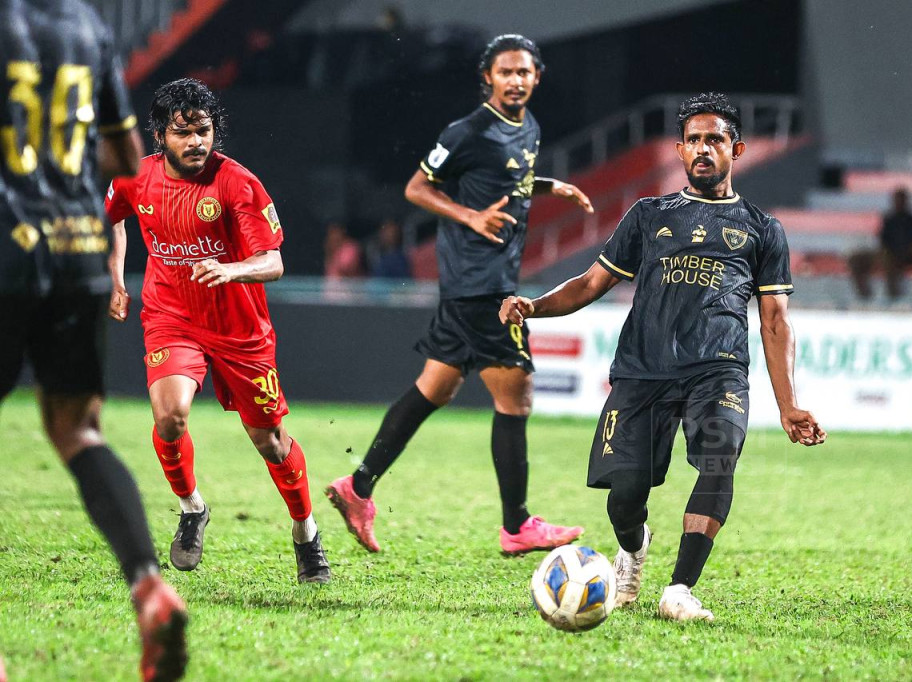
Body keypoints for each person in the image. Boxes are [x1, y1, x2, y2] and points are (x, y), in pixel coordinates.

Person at [499, 93, 827, 621]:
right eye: (694, 140)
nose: (703, 148)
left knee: (719, 461)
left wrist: (789, 404)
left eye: (715, 139)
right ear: (680, 149)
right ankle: (633, 548)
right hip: (642, 370)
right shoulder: (648, 215)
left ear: (737, 149)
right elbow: (590, 283)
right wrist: (533, 306)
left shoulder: (763, 229)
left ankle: (679, 588)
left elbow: (774, 321)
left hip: (718, 371)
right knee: (625, 495)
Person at [326, 34, 594, 555]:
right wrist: (469, 216)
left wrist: (549, 186)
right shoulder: (468, 131)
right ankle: (517, 525)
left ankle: (357, 487)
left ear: (536, 76)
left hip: (477, 284)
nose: (515, 80)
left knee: (435, 388)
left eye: (523, 72)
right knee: (516, 395)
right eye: (505, 72)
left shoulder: (528, 126)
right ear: (487, 77)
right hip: (481, 285)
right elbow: (417, 188)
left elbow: (507, 178)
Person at [0, 1, 187, 679]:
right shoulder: (87, 26)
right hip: (78, 245)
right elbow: (127, 158)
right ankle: (149, 586)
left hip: (5, 246)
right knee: (79, 432)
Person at [105, 78, 330, 584]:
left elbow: (273, 261)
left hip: (239, 329)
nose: (196, 142)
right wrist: (116, 279)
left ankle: (306, 532)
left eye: (203, 131)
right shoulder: (135, 177)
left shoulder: (238, 184)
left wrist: (231, 270)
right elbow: (114, 219)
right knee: (170, 417)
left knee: (271, 441)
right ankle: (192, 508)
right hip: (171, 316)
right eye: (183, 133)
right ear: (160, 136)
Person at [851, 188, 912, 300]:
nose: (898, 202)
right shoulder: (889, 219)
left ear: (906, 201)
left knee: (889, 263)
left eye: (900, 199)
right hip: (886, 254)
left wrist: (902, 254)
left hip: (903, 257)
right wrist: (884, 252)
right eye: (896, 199)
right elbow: (882, 240)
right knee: (855, 259)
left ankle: (893, 298)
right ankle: (864, 296)